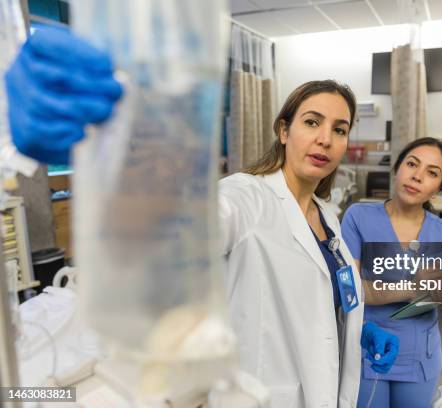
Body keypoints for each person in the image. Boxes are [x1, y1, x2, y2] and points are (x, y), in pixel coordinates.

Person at [4, 27, 399, 408]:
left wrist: (357, 327)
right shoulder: (244, 197)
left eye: (340, 129)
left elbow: (318, 298)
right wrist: (114, 142)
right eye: (312, 122)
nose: (325, 139)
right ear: (283, 130)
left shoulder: (327, 216)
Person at [341, 137, 442, 408]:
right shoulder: (358, 217)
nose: (417, 176)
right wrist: (417, 288)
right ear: (397, 169)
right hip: (368, 348)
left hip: (420, 358)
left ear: (438, 190)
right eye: (412, 164)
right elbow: (353, 289)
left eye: (432, 173)